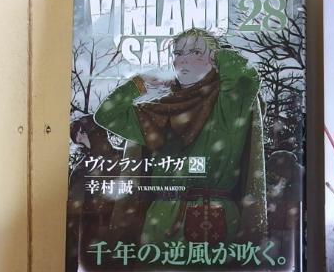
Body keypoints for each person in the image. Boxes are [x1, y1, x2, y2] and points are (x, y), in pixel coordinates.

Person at [92, 29, 267, 254]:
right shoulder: (159, 111)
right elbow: (106, 115)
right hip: (159, 219)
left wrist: (218, 54)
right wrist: (139, 84)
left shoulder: (229, 105)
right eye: (178, 53)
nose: (183, 59)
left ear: (214, 61)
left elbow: (245, 78)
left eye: (196, 52)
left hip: (213, 218)